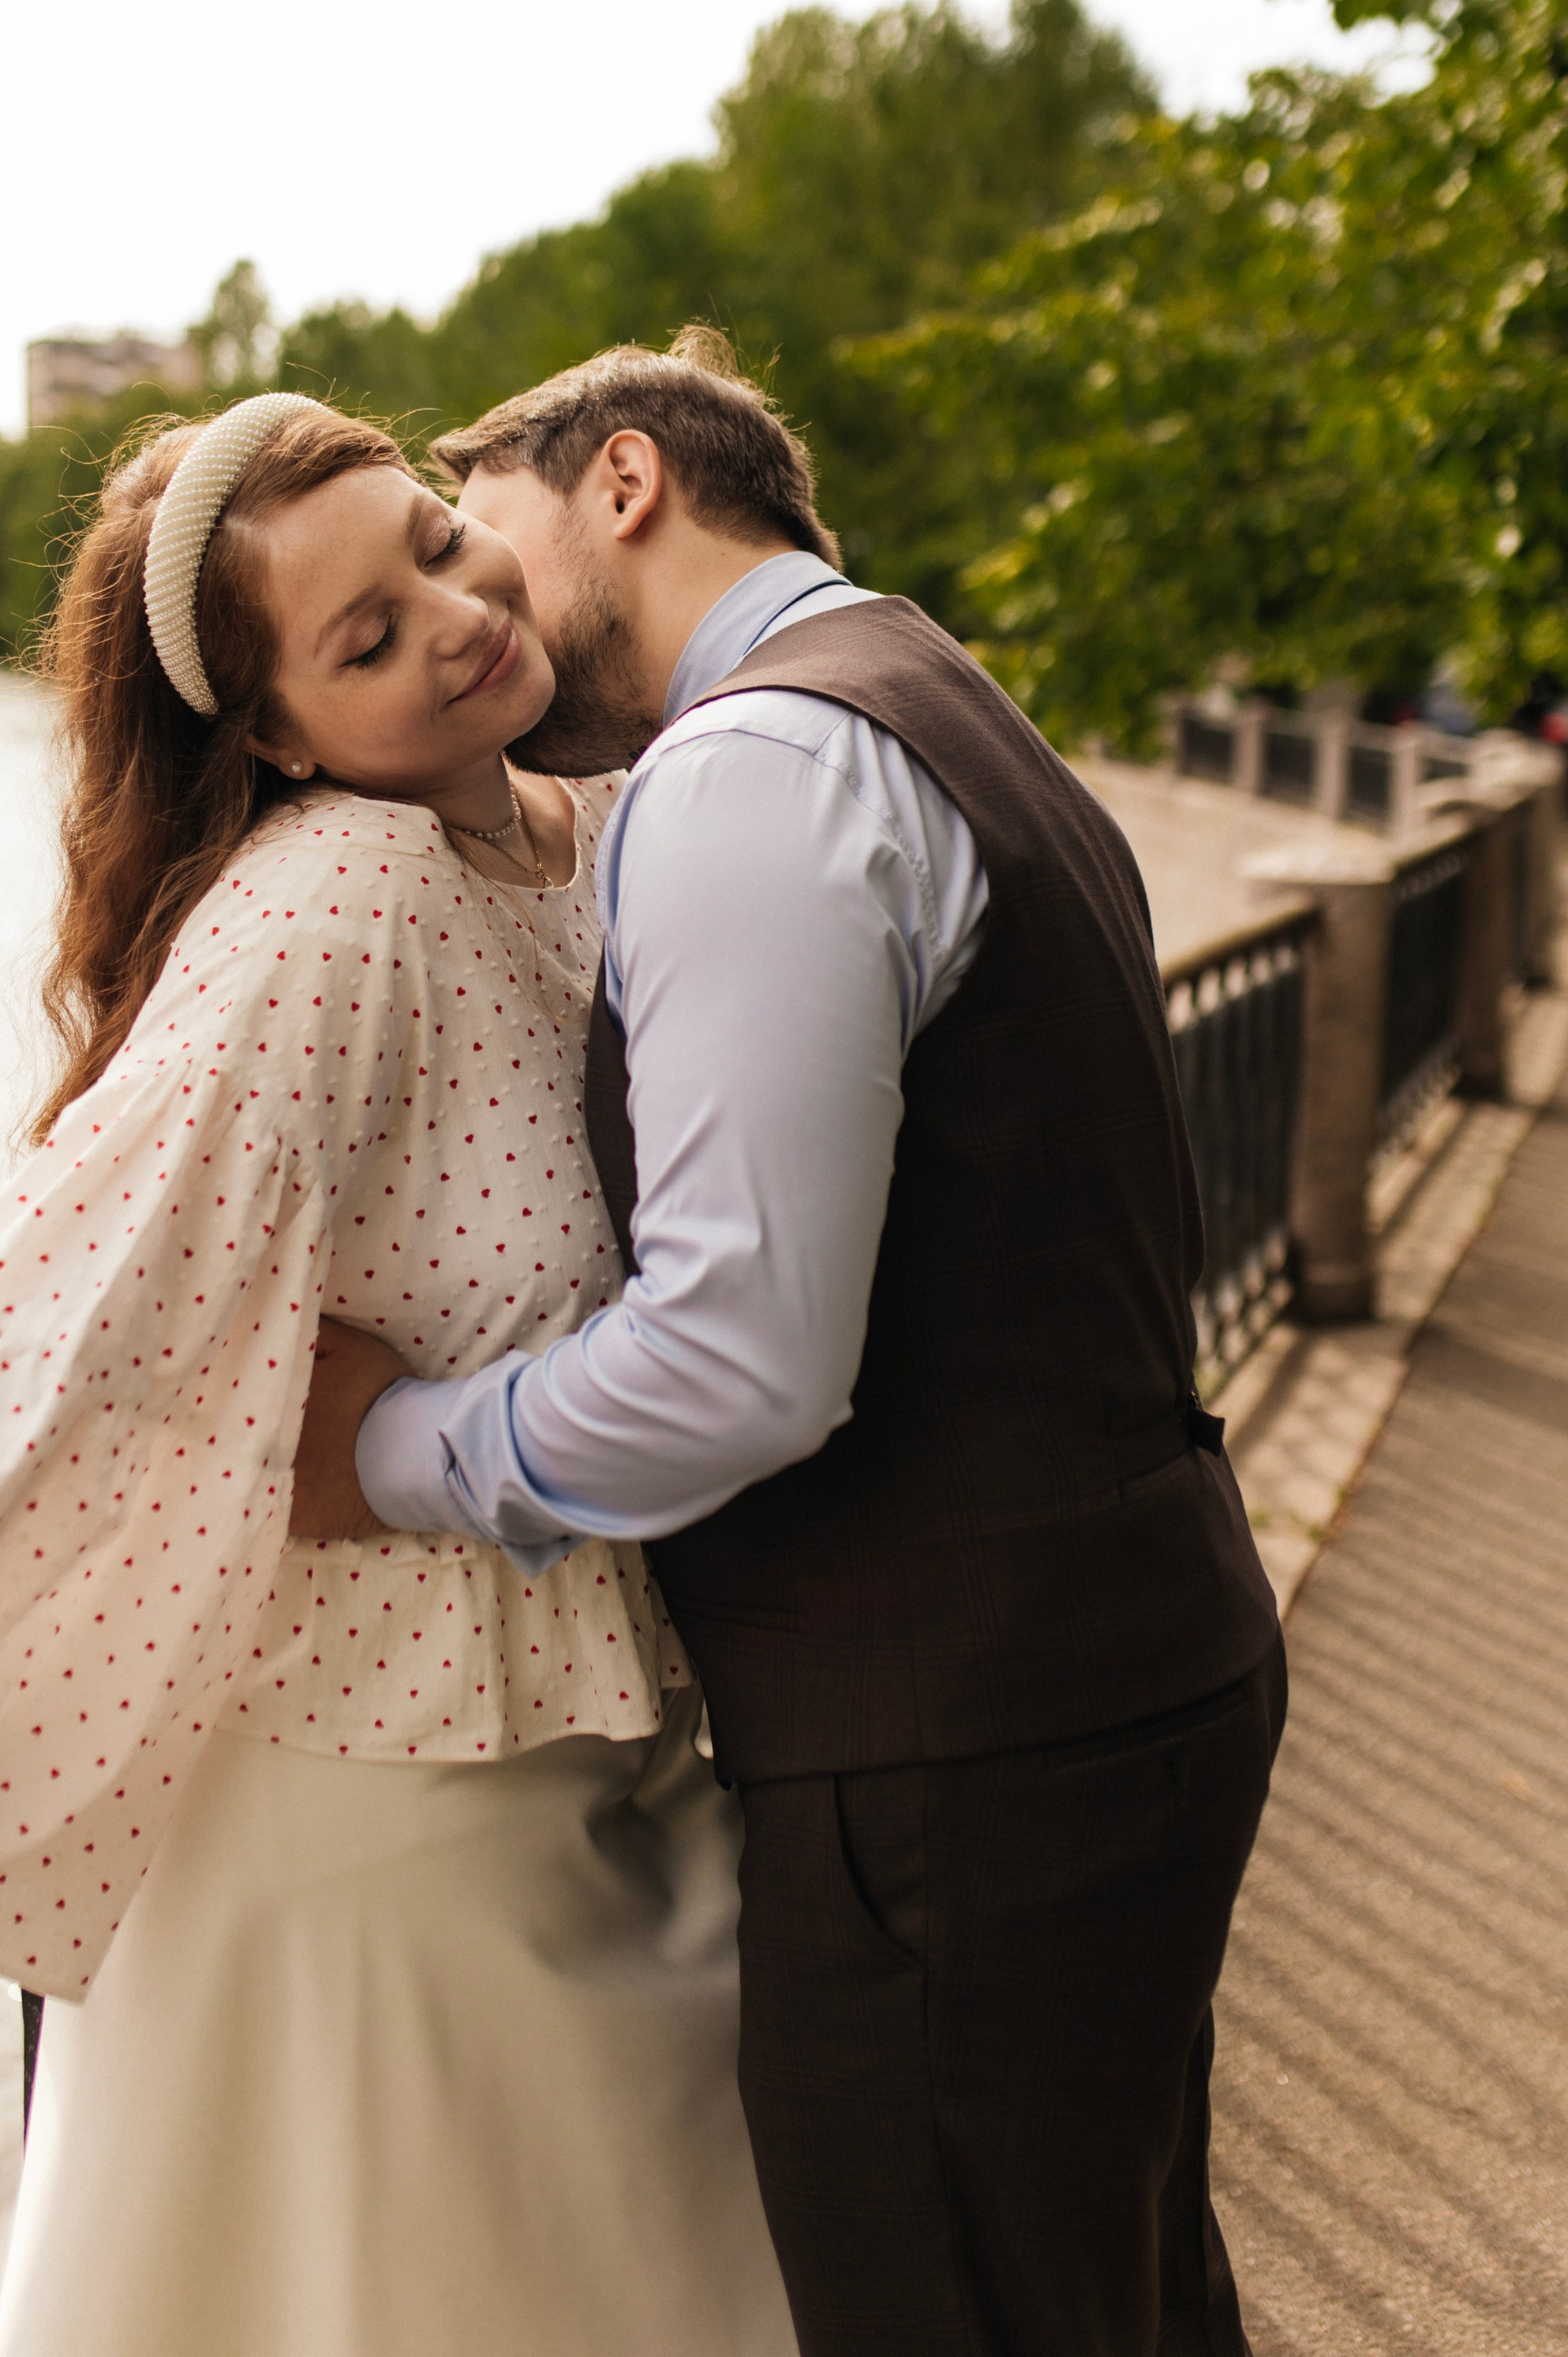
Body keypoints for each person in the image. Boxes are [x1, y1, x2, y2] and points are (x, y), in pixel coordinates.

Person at [0, 393, 798, 2357]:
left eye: (426, 541)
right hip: (373, 1847)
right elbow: (59, 1300)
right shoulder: (334, 902)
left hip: (586, 1776)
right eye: (365, 642)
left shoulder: (589, 835)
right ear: (279, 739)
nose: (453, 614)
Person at [297, 331, 1289, 2357]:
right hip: (1106, 1675)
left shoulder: (748, 772)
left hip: (960, 1757)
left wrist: (387, 1451)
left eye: (477, 549)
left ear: (627, 483)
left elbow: (739, 1363)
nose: (474, 618)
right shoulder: (930, 697)